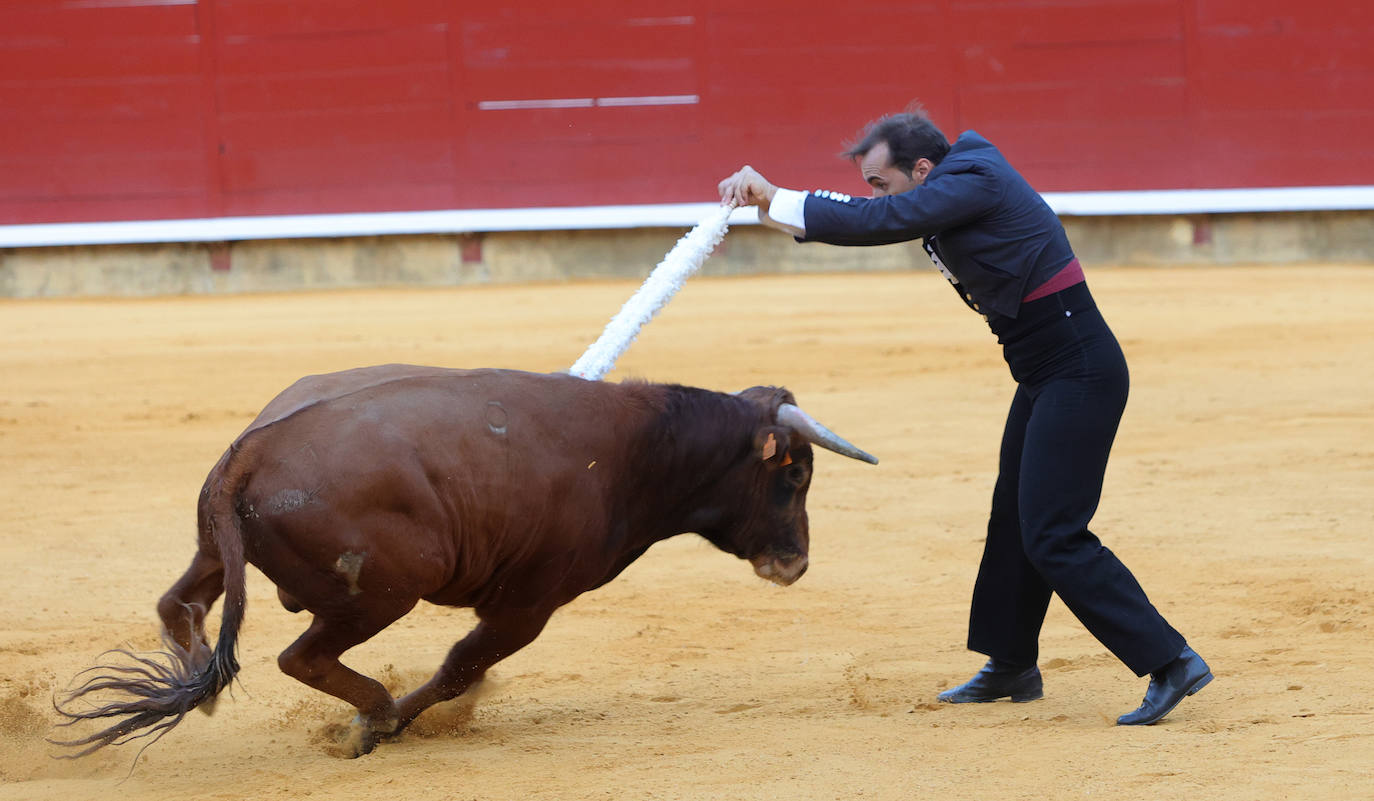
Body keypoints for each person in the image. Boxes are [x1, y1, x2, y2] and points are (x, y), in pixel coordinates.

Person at [717, 105, 1212, 726]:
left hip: (1078, 370)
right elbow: (876, 213)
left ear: (922, 168)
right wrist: (768, 207)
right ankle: (1011, 664)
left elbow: (884, 219)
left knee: (1053, 532)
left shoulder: (974, 175)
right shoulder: (955, 181)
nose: (875, 195)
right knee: (1014, 518)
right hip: (1044, 372)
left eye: (880, 180)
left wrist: (780, 196)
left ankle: (1171, 661)